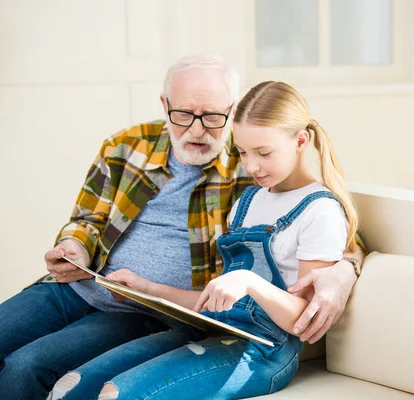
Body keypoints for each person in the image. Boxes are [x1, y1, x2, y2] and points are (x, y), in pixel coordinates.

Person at [0, 55, 364, 400]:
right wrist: (76, 248)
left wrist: (345, 270)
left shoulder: (252, 170)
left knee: (25, 367)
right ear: (164, 105)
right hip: (86, 285)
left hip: (155, 315)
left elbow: (336, 229)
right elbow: (87, 221)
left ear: (231, 111)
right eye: (184, 114)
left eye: (211, 117)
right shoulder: (131, 147)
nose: (197, 129)